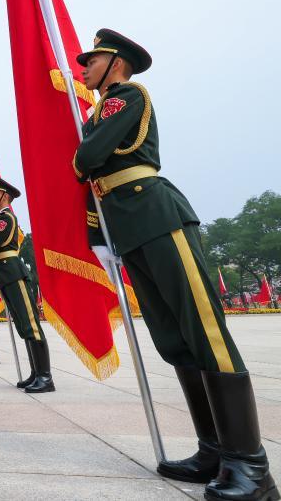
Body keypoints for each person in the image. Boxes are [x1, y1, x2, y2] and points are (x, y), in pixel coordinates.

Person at [74, 29, 275, 499]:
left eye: (92, 60)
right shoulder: (102, 108)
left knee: (203, 329)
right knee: (173, 338)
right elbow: (90, 171)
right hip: (128, 226)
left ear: (116, 63)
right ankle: (214, 450)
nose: (83, 68)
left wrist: (84, 151)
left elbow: (88, 157)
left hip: (157, 216)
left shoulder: (126, 97)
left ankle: (251, 466)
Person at [0, 178, 54, 393]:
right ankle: (35, 373)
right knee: (23, 326)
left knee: (31, 324)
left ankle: (45, 377)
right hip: (5, 274)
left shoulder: (6, 218)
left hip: (13, 273)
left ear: (4, 195)